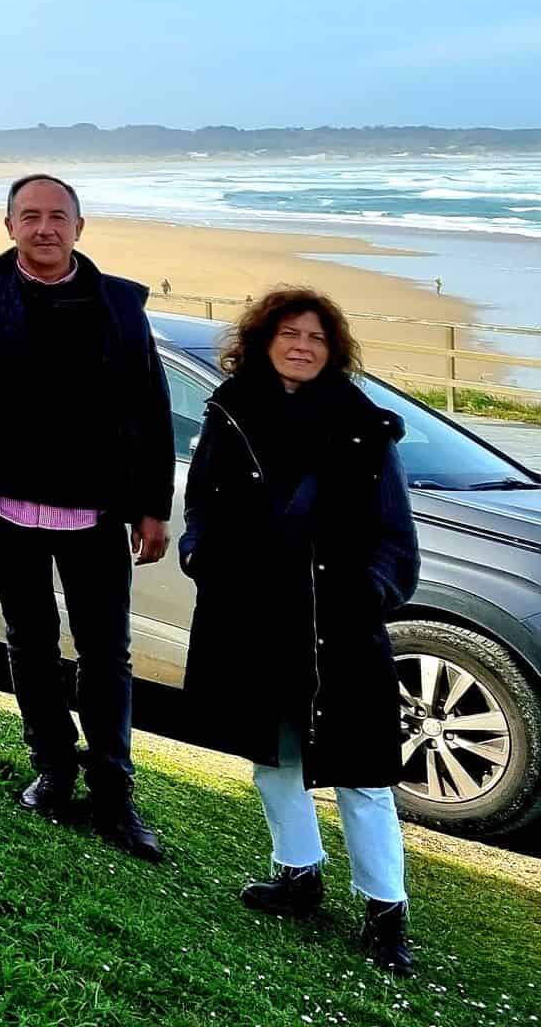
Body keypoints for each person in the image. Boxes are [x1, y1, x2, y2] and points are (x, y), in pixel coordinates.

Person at [0, 175, 173, 859]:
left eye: (57, 217)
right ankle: (52, 770)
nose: (44, 228)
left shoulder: (120, 306)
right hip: (5, 505)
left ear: (79, 227)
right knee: (29, 642)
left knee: (105, 654)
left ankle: (115, 793)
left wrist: (153, 506)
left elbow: (150, 410)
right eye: (29, 216)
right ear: (9, 227)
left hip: (96, 513)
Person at [181, 289, 422, 976]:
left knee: (363, 775)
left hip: (339, 625)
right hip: (251, 618)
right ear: (263, 341)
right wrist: (198, 555)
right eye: (289, 333)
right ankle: (298, 874)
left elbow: (395, 539)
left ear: (332, 348)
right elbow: (201, 504)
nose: (302, 345)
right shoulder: (231, 411)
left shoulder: (366, 426)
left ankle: (386, 913)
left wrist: (370, 592)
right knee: (273, 755)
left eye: (316, 337)